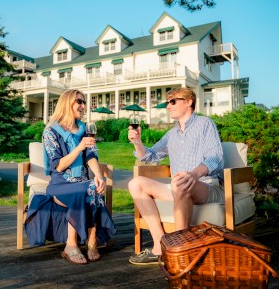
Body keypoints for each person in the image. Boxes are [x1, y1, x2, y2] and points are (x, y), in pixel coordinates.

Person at [127, 87, 224, 265]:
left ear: (189, 102)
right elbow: (149, 156)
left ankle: (180, 251)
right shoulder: (171, 134)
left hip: (206, 185)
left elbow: (215, 157)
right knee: (135, 184)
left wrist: (193, 174)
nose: (168, 106)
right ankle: (160, 246)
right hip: (177, 187)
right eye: (167, 103)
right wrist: (137, 142)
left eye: (173, 101)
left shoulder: (205, 124)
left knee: (179, 183)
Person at [25, 89, 115, 265]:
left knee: (92, 186)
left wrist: (98, 175)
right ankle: (78, 243)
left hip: (82, 183)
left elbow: (91, 156)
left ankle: (86, 242)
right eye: (79, 102)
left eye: (83, 102)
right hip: (60, 185)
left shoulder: (84, 129)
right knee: (88, 189)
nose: (83, 106)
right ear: (67, 104)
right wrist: (79, 147)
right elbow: (58, 165)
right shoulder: (51, 132)